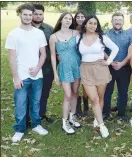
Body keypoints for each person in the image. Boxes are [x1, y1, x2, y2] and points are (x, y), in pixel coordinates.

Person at [5, 4, 49, 143]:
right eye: (25, 14)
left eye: (30, 15)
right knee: (21, 104)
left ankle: (36, 125)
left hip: (37, 75)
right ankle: (19, 129)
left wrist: (37, 68)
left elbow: (43, 54)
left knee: (36, 103)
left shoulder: (39, 33)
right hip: (21, 76)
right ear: (19, 14)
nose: (28, 17)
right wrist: (16, 77)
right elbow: (12, 58)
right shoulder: (13, 34)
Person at [76, 15, 119, 138]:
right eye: (90, 23)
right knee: (93, 99)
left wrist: (109, 61)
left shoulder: (102, 37)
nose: (92, 25)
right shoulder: (78, 37)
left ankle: (96, 118)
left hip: (100, 69)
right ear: (85, 24)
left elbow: (115, 48)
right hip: (85, 69)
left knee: (100, 97)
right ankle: (102, 125)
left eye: (95, 23)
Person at [50, 12, 81, 135]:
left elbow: (82, 48)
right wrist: (55, 74)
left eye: (70, 18)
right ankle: (65, 121)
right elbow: (53, 56)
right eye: (65, 18)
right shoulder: (53, 37)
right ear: (61, 20)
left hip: (76, 66)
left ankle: (72, 117)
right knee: (67, 95)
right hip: (64, 68)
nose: (68, 20)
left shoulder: (76, 33)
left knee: (75, 93)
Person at [103, 12, 132, 121]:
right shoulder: (105, 34)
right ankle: (105, 113)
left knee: (123, 91)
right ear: (112, 21)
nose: (117, 22)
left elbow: (131, 52)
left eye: (120, 20)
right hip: (109, 68)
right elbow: (102, 50)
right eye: (115, 19)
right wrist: (110, 62)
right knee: (107, 91)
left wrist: (121, 63)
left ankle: (121, 113)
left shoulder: (129, 35)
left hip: (124, 68)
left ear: (123, 22)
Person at [30, 4, 55, 124]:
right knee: (31, 94)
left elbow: (56, 48)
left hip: (47, 68)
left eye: (40, 14)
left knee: (44, 93)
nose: (38, 16)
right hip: (30, 68)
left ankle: (41, 114)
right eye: (36, 14)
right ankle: (29, 117)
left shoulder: (50, 29)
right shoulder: (26, 29)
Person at [74, 10, 89, 117]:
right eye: (78, 17)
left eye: (82, 17)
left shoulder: (88, 30)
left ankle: (86, 106)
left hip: (86, 59)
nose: (80, 19)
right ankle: (78, 107)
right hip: (74, 59)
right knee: (76, 84)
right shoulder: (71, 31)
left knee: (86, 84)